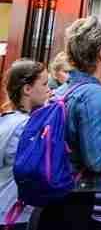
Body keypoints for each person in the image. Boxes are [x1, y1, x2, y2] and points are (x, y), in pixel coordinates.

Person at [38, 17, 101, 230]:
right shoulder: (94, 93)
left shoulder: (64, 90)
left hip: (59, 194)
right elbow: (98, 159)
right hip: (83, 200)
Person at [0, 59, 51, 229]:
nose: (48, 89)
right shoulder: (25, 126)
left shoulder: (7, 119)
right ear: (27, 89)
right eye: (44, 84)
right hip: (12, 214)